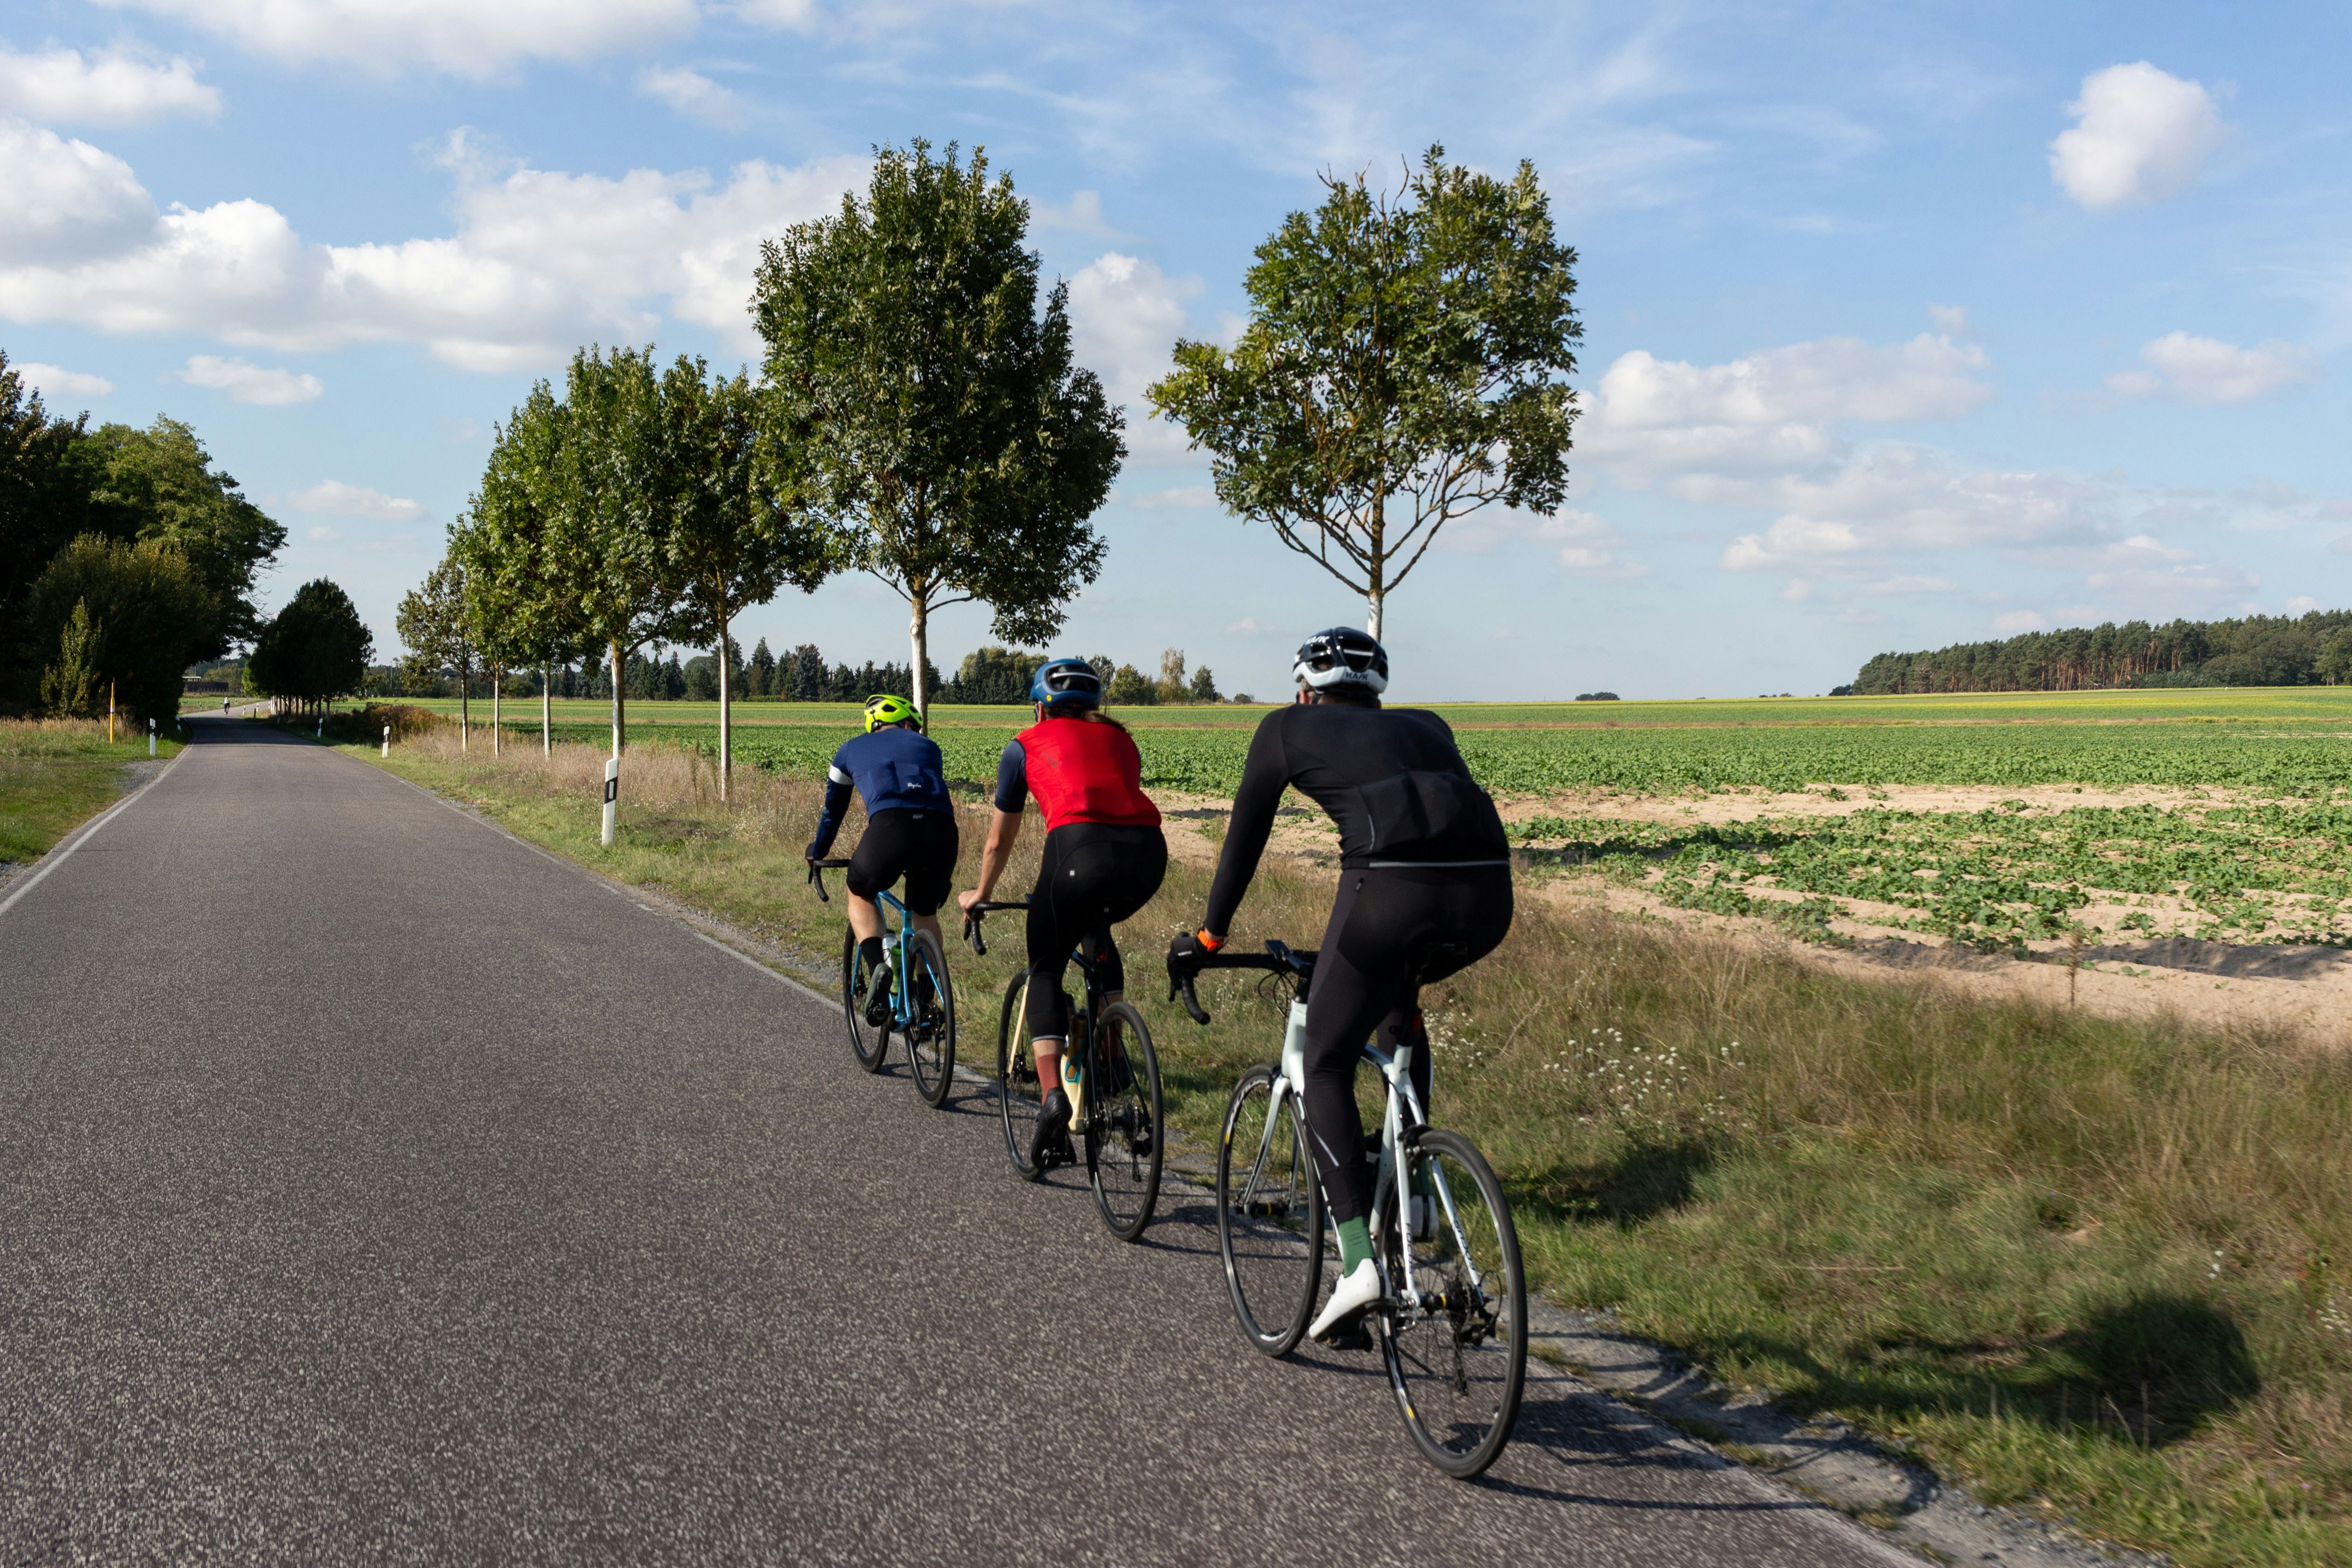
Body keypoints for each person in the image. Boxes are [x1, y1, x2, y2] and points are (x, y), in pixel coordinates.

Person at [1168, 628, 1512, 1342]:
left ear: (1305, 688)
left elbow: (1244, 840)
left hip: (1389, 892)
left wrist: (1209, 936)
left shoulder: (1285, 727)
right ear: (1376, 689)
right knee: (1397, 1009)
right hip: (1487, 899)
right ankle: (1411, 1188)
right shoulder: (1429, 725)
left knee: (1323, 1059)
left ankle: (1359, 1264)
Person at [958, 659, 1167, 1170]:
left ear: (1039, 705)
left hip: (1077, 851)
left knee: (1046, 965)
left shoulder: (1023, 744)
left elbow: (997, 839)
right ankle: (1112, 1051)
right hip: (1147, 857)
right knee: (1097, 925)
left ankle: (1052, 1095)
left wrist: (980, 893)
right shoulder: (1122, 739)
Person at [806, 694, 960, 1026]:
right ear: (907, 725)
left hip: (891, 829)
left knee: (859, 890)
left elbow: (833, 810)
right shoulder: (930, 747)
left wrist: (818, 851)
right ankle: (925, 1005)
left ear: (873, 725)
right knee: (924, 911)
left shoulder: (850, 749)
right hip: (943, 834)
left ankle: (877, 964)